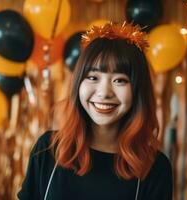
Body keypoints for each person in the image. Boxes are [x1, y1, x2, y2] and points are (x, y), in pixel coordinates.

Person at [18, 22, 173, 200]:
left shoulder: (155, 168)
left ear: (138, 90)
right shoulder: (48, 148)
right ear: (78, 84)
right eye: (93, 77)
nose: (104, 92)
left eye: (120, 80)